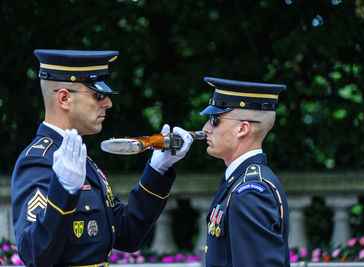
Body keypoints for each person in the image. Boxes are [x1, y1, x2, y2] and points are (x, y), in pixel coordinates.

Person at [11, 49, 194, 267]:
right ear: (64, 98)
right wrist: (63, 191)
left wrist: (157, 171)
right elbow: (34, 255)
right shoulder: (39, 160)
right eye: (98, 95)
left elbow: (128, 234)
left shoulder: (82, 160)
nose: (108, 103)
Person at [200, 77, 289, 267]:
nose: (205, 128)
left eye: (215, 120)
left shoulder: (249, 192)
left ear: (242, 128)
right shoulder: (239, 182)